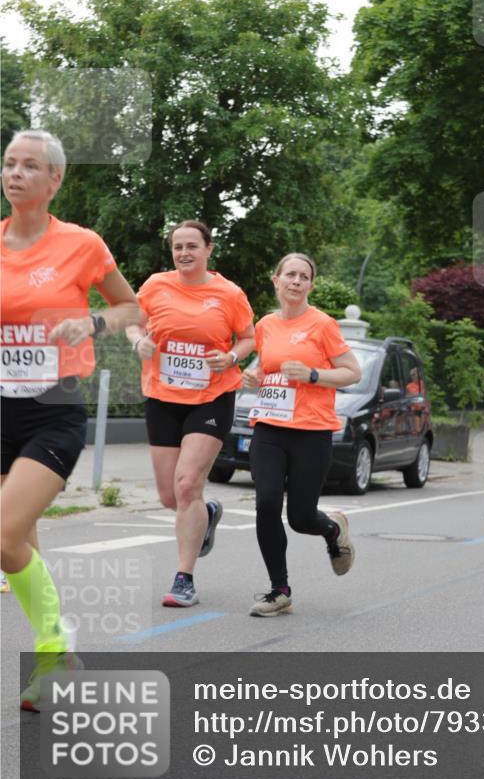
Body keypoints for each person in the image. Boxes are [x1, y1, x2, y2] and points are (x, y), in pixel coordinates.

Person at [1, 130, 139, 710]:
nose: (16, 173)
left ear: (55, 179)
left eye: (30, 166)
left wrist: (93, 325)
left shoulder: (81, 244)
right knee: (15, 546)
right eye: (9, 163)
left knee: (3, 536)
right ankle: (54, 659)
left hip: (53, 409)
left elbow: (130, 305)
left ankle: (59, 649)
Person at [126, 220, 255, 608]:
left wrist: (230, 356)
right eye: (177, 247)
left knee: (187, 486)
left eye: (192, 246)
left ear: (208, 249)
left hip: (211, 396)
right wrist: (139, 343)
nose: (184, 253)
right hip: (163, 397)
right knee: (170, 496)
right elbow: (134, 323)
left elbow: (248, 337)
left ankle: (184, 579)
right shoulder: (155, 285)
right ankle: (209, 513)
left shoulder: (229, 293)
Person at [242, 253, 361, 617]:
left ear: (310, 285)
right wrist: (254, 374)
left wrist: (313, 375)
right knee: (266, 504)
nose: (295, 281)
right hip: (269, 427)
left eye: (303, 276)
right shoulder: (264, 325)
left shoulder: (322, 324)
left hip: (311, 430)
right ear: (276, 280)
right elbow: (266, 362)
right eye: (289, 274)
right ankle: (280, 590)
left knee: (300, 517)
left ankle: (332, 531)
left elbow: (351, 372)